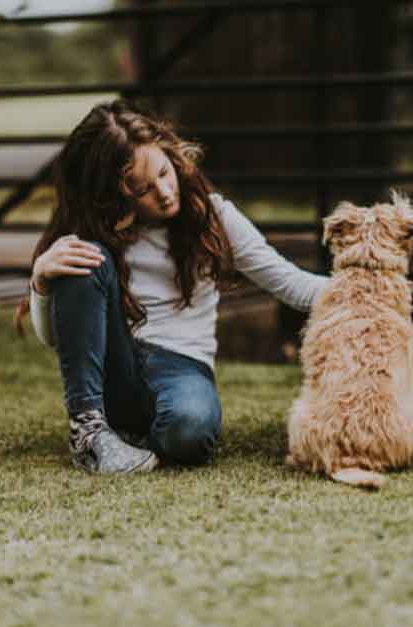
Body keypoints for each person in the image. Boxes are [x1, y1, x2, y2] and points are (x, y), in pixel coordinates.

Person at [20, 98, 328, 475]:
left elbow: (290, 283)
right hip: (116, 365)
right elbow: (54, 339)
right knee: (80, 257)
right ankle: (89, 432)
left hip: (183, 366)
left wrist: (371, 289)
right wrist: (41, 281)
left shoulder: (213, 217)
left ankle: (129, 439)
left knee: (190, 433)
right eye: (142, 189)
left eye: (164, 173)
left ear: (172, 155)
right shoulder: (90, 236)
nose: (165, 192)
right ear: (112, 195)